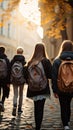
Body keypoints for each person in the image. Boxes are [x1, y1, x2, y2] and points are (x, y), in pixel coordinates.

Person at [26, 43, 52, 130]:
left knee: (36, 107)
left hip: (33, 88)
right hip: (43, 88)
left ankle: (37, 125)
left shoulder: (30, 62)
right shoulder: (46, 61)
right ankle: (38, 126)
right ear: (43, 50)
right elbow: (50, 75)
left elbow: (26, 75)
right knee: (41, 108)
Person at [52, 40, 73, 130]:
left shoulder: (57, 61)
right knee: (68, 104)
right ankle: (67, 120)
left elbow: (54, 76)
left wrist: (55, 90)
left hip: (61, 87)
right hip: (72, 87)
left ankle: (65, 124)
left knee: (63, 105)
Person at [10, 47, 26, 116]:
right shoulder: (23, 61)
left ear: (17, 52)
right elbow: (25, 71)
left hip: (14, 80)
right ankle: (19, 109)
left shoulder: (13, 61)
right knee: (21, 94)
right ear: (22, 52)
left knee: (15, 94)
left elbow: (9, 70)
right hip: (21, 79)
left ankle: (14, 105)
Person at [0, 47, 10, 112]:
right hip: (4, 78)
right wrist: (9, 81)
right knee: (4, 91)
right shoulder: (6, 59)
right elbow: (9, 71)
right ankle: (2, 103)